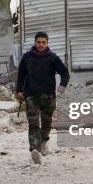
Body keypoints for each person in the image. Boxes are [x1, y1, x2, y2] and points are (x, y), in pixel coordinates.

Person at [15, 31, 70, 164]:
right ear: (35, 43)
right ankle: (35, 149)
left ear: (47, 43)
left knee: (47, 122)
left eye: (43, 42)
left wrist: (62, 85)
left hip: (48, 96)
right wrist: (19, 91)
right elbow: (21, 75)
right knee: (33, 124)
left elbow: (64, 72)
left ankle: (44, 140)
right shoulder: (27, 57)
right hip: (31, 96)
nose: (41, 45)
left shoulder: (52, 58)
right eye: (38, 42)